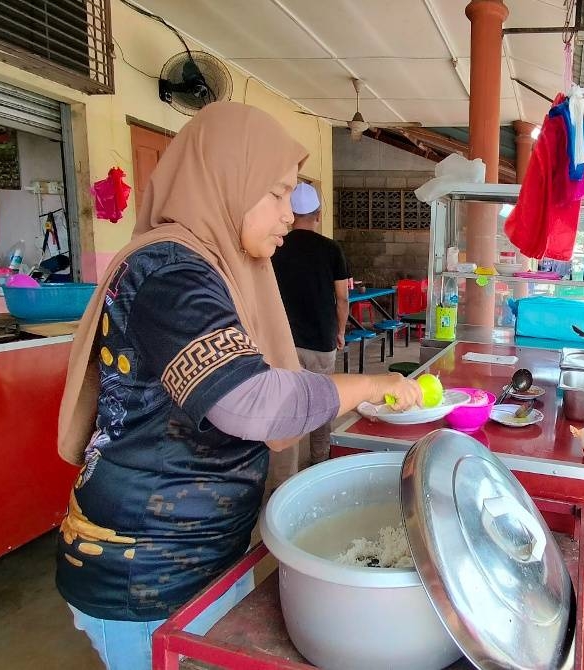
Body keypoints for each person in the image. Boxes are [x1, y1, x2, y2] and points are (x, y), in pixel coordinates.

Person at [54, 102, 421, 670]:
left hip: (199, 552)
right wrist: (371, 384)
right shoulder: (171, 274)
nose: (289, 215)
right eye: (277, 193)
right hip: (145, 570)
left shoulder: (214, 266)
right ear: (226, 180)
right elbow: (252, 402)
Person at [271, 182, 350, 467]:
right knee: (322, 402)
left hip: (283, 341)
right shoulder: (331, 249)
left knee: (286, 407)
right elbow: (342, 298)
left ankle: (284, 476)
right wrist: (340, 331)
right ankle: (319, 462)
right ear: (318, 214)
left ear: (290, 214)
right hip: (321, 339)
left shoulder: (275, 246)